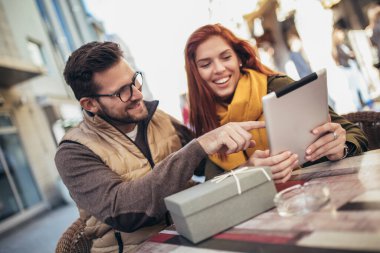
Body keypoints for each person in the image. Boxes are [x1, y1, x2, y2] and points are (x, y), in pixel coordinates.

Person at [56, 41, 265, 252]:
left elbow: (205, 164)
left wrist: (245, 167)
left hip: (193, 233)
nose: (137, 94)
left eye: (134, 81)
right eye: (122, 92)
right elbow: (124, 212)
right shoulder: (73, 152)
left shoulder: (157, 117)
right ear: (90, 104)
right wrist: (198, 146)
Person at [184, 24, 368, 182]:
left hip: (319, 192)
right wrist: (247, 172)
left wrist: (340, 147)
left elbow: (353, 133)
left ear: (239, 59)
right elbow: (213, 187)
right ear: (196, 73)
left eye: (226, 57)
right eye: (206, 64)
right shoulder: (207, 121)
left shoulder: (276, 86)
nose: (219, 69)